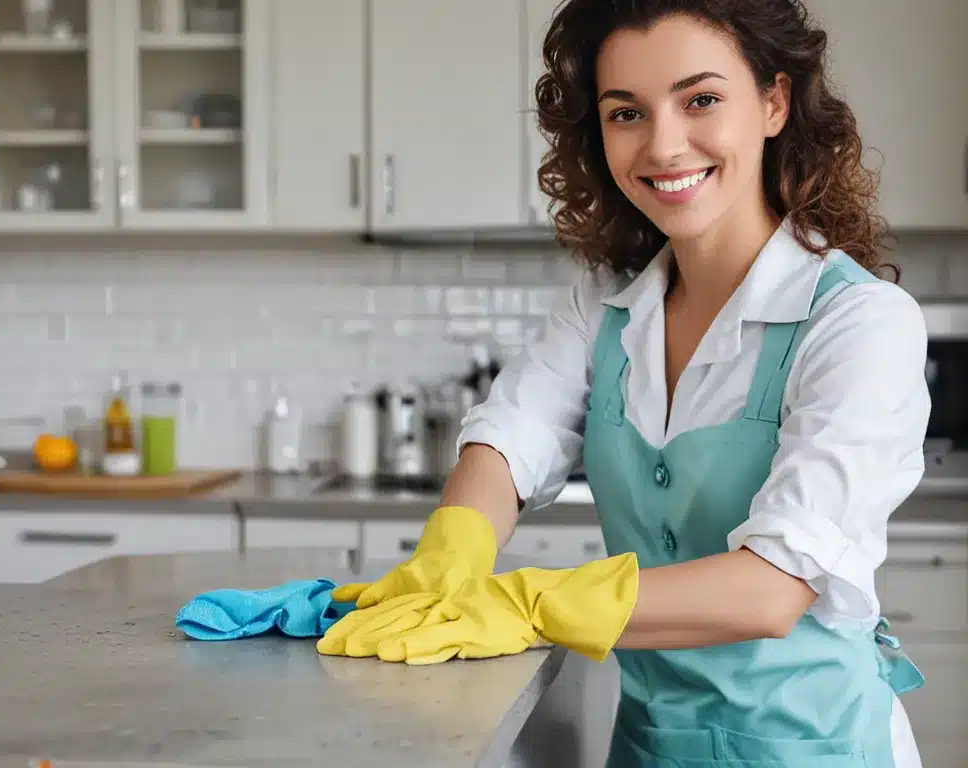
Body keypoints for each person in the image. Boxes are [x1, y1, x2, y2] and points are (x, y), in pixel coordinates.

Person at [317, 0, 931, 765]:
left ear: (773, 103)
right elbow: (512, 435)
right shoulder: (605, 302)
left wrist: (529, 600)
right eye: (625, 112)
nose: (664, 145)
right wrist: (455, 549)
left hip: (816, 751)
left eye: (700, 99)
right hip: (648, 749)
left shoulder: (860, 325)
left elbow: (774, 590)